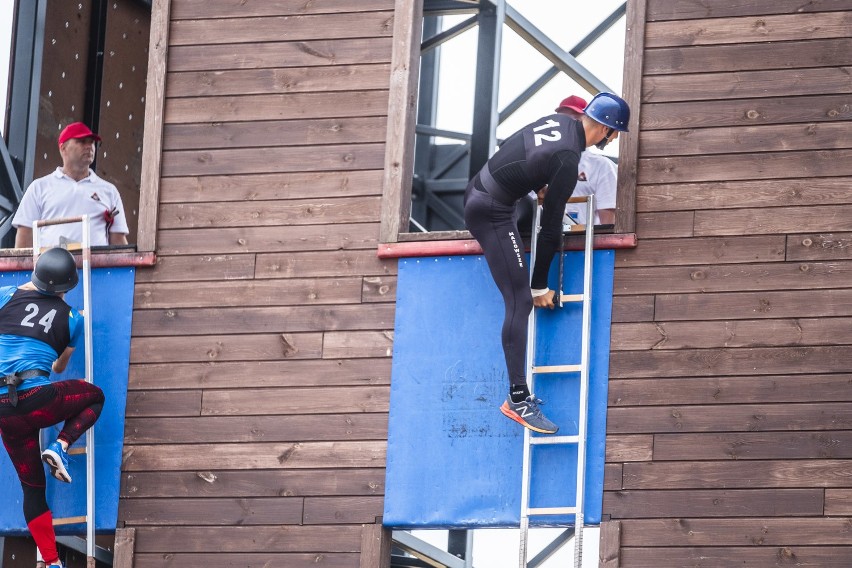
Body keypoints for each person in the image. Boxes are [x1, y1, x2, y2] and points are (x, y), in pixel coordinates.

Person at [463, 92, 630, 434]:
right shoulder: (569, 159)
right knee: (520, 300)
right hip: (491, 210)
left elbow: (518, 146)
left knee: (524, 250)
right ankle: (518, 399)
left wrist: (535, 185)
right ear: (607, 130)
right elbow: (551, 227)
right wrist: (540, 284)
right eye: (614, 134)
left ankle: (518, 397)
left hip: (492, 193)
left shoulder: (561, 123)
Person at [0, 247, 105, 568]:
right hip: (38, 400)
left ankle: (52, 562)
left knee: (32, 489)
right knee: (95, 396)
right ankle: (61, 446)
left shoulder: (4, 295)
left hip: (4, 410)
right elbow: (59, 368)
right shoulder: (72, 319)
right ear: (64, 288)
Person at [13, 122, 130, 248]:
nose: (89, 146)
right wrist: (24, 267)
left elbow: (118, 240)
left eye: (92, 142)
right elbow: (25, 234)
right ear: (63, 148)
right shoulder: (39, 187)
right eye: (82, 141)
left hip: (95, 266)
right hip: (51, 266)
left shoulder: (109, 191)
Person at [555, 95, 618, 226]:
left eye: (575, 120)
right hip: (543, 240)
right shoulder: (539, 161)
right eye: (561, 120)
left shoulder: (602, 166)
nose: (565, 125)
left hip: (586, 242)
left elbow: (608, 219)